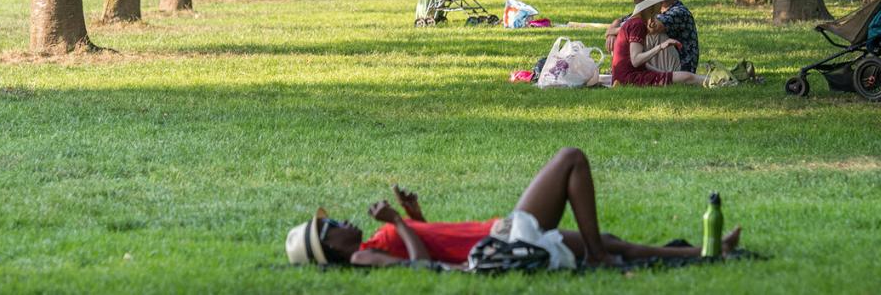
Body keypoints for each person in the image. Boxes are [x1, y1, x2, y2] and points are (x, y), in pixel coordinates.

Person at [285, 147, 741, 269]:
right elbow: (421, 267)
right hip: (501, 240)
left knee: (611, 241)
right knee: (570, 158)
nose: (341, 221)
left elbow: (432, 244)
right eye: (331, 228)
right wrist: (400, 223)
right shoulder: (363, 256)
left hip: (498, 232)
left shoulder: (369, 241)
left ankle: (704, 254)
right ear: (331, 250)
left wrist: (415, 215)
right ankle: (602, 259)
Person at [611, 0, 711, 86]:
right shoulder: (638, 24)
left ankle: (720, 81)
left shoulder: (635, 22)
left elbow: (642, 64)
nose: (661, 3)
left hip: (626, 76)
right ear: (651, 5)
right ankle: (719, 82)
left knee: (686, 76)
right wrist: (660, 47)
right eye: (658, 1)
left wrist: (662, 73)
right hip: (630, 79)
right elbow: (636, 60)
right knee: (687, 77)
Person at [650, 0, 700, 73]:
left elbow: (653, 28)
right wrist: (613, 31)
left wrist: (625, 29)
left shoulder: (680, 12)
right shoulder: (654, 9)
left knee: (654, 35)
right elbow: (624, 20)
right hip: (663, 61)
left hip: (680, 68)